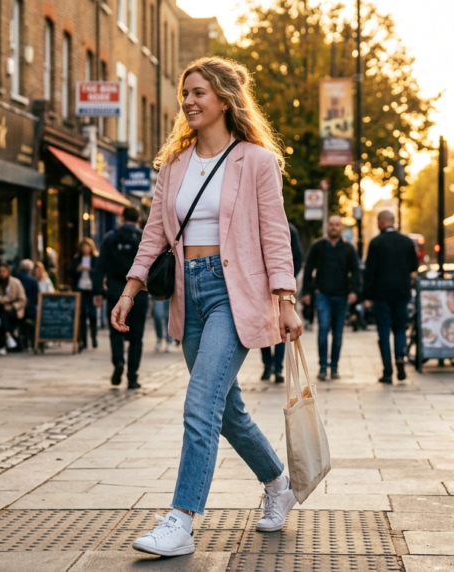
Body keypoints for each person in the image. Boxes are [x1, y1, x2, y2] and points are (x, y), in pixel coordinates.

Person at [112, 56, 302, 556]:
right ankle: (279, 484)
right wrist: (131, 288)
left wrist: (285, 298)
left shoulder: (255, 162)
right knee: (225, 409)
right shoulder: (174, 164)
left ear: (224, 97)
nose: (189, 102)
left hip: (233, 292)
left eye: (198, 92)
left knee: (200, 403)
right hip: (186, 291)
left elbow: (275, 235)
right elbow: (155, 232)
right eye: (185, 95)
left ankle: (181, 519)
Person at [302, 215, 362, 381]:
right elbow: (308, 270)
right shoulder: (318, 246)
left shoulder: (348, 248)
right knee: (323, 330)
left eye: (337, 225)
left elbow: (356, 273)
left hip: (342, 296)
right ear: (327, 226)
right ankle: (323, 367)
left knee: (338, 333)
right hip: (323, 295)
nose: (334, 227)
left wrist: (354, 292)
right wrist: (306, 292)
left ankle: (334, 367)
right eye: (332, 224)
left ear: (342, 227)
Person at [363, 210, 419, 384]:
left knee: (384, 332)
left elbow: (369, 272)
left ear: (381, 222)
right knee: (400, 329)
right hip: (401, 293)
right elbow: (413, 267)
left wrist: (367, 295)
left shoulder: (376, 243)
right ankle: (400, 358)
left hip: (381, 294)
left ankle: (387, 371)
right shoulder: (406, 242)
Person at [95, 206, 147, 389]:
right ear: (138, 219)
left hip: (116, 291)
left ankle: (118, 362)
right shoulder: (143, 238)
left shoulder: (110, 237)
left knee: (116, 331)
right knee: (136, 336)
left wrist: (97, 291)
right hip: (139, 292)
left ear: (122, 217)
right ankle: (132, 376)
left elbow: (100, 266)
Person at [260, 222, 303, 383]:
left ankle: (277, 367)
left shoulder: (289, 229)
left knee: (280, 329)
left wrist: (286, 280)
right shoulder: (260, 225)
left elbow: (297, 258)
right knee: (264, 327)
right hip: (262, 287)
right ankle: (267, 365)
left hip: (279, 287)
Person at [69, 238, 99, 351]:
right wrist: (78, 269)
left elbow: (99, 272)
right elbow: (70, 272)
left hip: (91, 289)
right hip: (80, 288)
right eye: (83, 247)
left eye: (87, 246)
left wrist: (90, 269)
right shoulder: (77, 259)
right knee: (82, 314)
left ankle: (94, 338)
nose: (85, 249)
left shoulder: (96, 258)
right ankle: (84, 341)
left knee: (93, 314)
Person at [0, 262, 26, 354]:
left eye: (4, 271)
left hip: (13, 309)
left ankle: (2, 344)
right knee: (1, 312)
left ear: (8, 272)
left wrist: (13, 306)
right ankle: (8, 336)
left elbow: (22, 300)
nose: (1, 274)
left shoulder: (15, 283)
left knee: (3, 315)